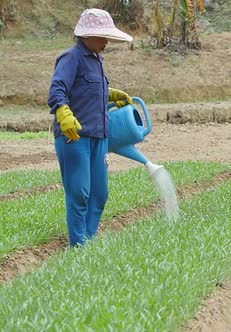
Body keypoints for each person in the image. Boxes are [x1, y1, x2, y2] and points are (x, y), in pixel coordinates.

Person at [48, 8, 134, 247]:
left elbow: (87, 92)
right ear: (88, 35)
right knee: (79, 193)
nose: (107, 41)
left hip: (99, 135)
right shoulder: (71, 58)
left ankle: (88, 239)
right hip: (74, 136)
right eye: (103, 36)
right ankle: (78, 245)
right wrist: (63, 112)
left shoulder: (97, 60)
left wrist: (110, 94)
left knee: (100, 193)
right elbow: (57, 90)